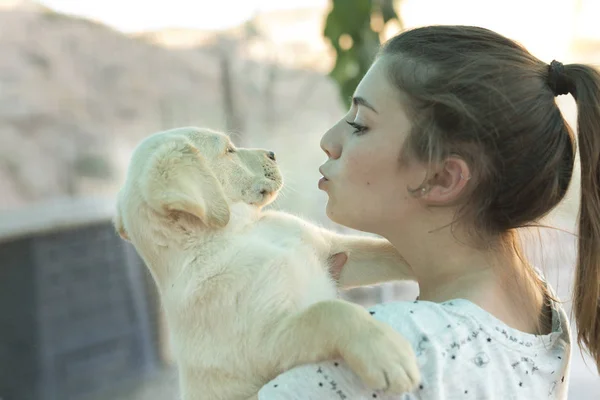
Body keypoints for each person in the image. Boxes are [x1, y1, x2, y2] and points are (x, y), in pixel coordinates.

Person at [256, 25, 600, 399]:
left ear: (443, 177)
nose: (328, 142)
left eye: (359, 125)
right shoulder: (540, 309)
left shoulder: (389, 348)